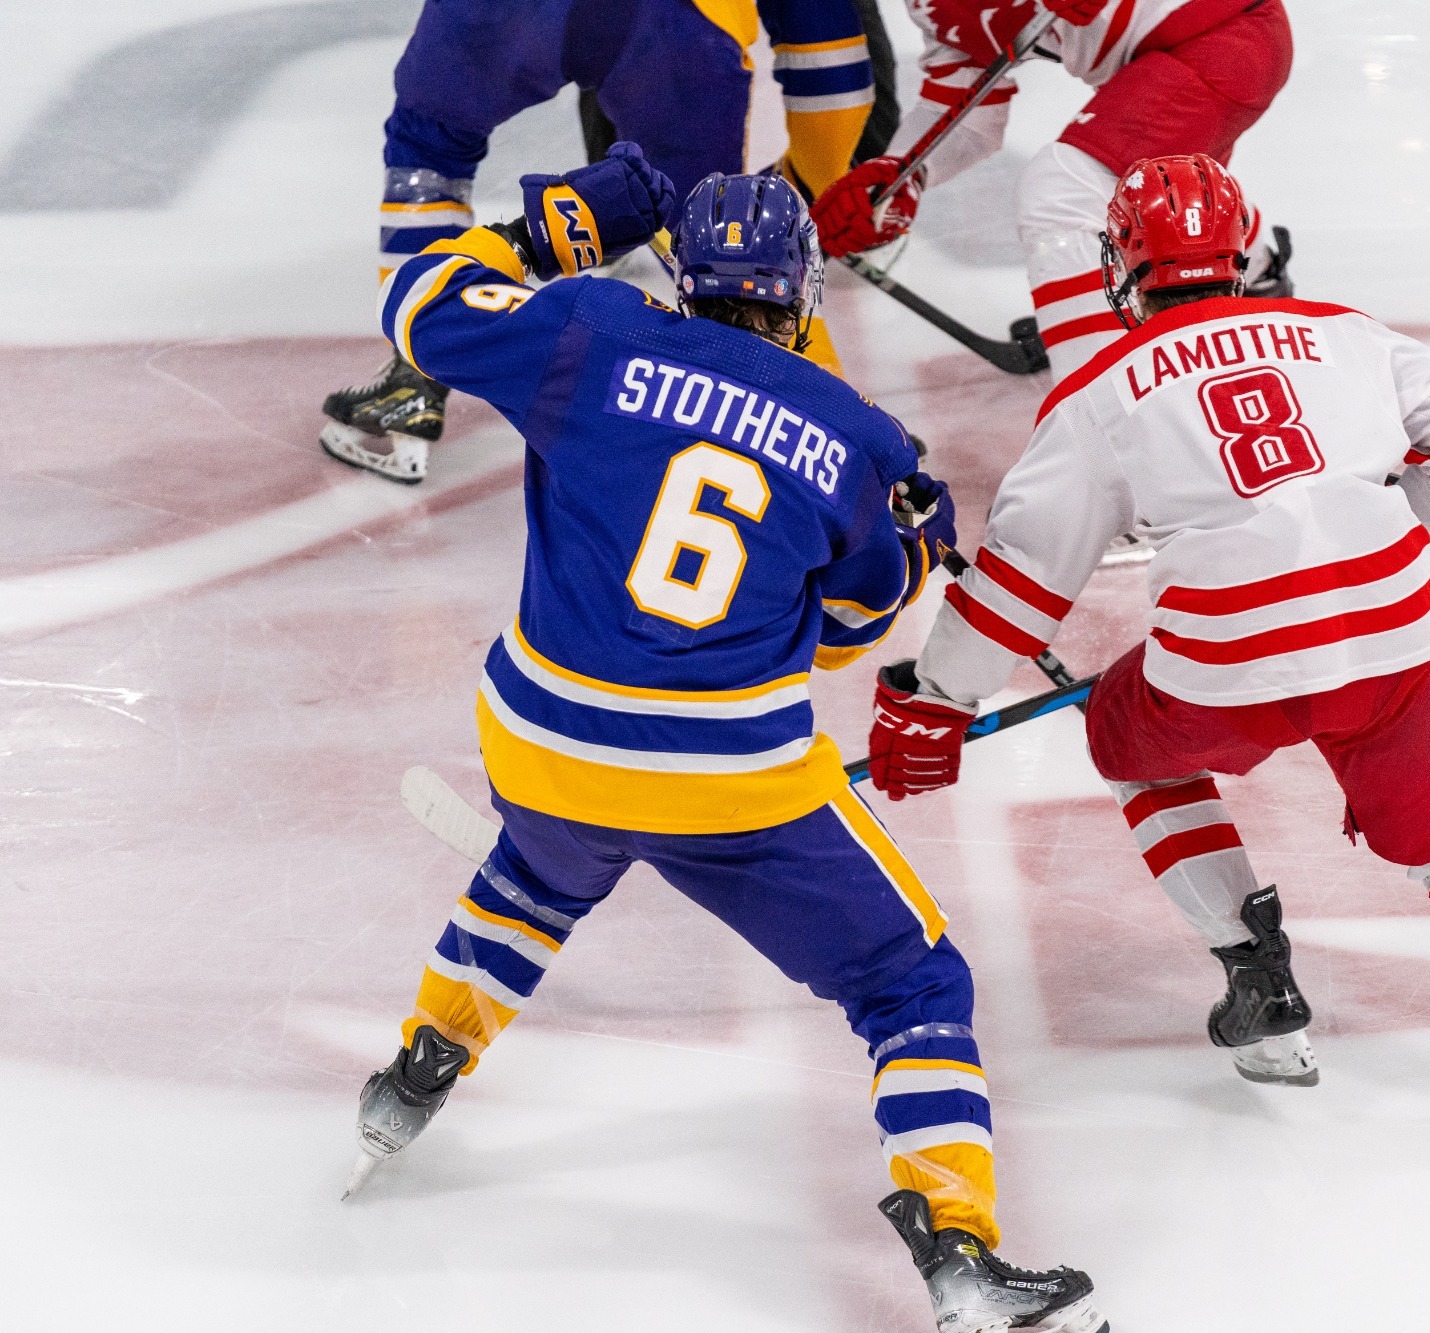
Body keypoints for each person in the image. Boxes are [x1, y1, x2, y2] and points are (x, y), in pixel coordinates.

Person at [344, 149, 1109, 1333]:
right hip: (731, 784)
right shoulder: (847, 432)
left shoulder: (591, 327)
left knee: (540, 867)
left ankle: (415, 1071)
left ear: (681, 273)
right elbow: (849, 635)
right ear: (800, 287)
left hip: (539, 742)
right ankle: (955, 1244)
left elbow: (420, 307)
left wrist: (550, 235)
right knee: (910, 984)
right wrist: (907, 543)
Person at [865, 154, 1430, 1141]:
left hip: (1223, 668)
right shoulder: (1344, 334)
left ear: (1122, 266)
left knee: (1132, 749)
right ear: (1243, 248)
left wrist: (938, 696)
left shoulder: (1100, 391)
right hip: (1391, 647)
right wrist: (1385, 524)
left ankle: (1255, 975)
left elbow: (1022, 581)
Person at [321, 0, 878, 484]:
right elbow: (826, 48)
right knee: (721, 244)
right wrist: (816, 185)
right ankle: (827, 426)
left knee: (429, 146)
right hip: (678, 20)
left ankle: (412, 379)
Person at [811, 0, 1297, 381]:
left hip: (1226, 32)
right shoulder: (934, 7)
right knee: (1157, 197)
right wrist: (900, 174)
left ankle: (1099, 406)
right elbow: (968, 115)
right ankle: (1256, 270)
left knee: (1065, 187)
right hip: (1164, 61)